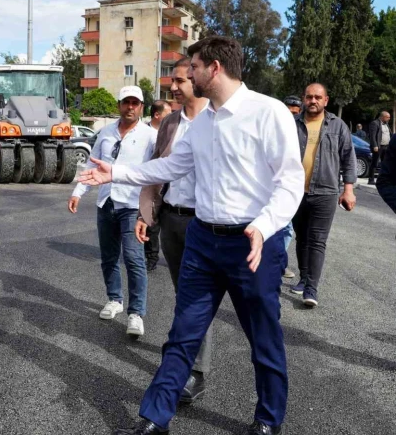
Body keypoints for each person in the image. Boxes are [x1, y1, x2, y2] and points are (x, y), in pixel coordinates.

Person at [79, 37, 304, 435]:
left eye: (194, 68)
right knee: (183, 333)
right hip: (203, 240)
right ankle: (156, 416)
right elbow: (168, 168)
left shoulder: (268, 113)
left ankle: (269, 419)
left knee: (263, 338)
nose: (186, 75)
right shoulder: (201, 124)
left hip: (253, 243)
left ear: (214, 68)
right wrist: (115, 173)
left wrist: (265, 226)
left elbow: (291, 182)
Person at [136, 57, 211, 402]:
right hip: (172, 218)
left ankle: (194, 371)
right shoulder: (169, 123)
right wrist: (146, 213)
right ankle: (181, 359)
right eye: (173, 82)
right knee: (184, 295)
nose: (174, 87)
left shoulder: (218, 120)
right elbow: (155, 167)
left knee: (198, 299)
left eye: (180, 80)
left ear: (197, 78)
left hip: (207, 222)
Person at [68, 86, 156, 336]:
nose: (130, 107)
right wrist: (77, 192)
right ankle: (115, 299)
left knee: (133, 259)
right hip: (106, 203)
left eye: (135, 103)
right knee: (108, 257)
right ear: (119, 105)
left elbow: (156, 172)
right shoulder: (105, 133)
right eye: (126, 102)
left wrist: (150, 208)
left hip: (132, 205)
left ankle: (136, 313)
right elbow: (91, 165)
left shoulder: (150, 136)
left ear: (141, 107)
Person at [289, 83, 356, 308]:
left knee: (317, 241)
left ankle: (311, 288)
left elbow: (348, 157)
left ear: (326, 100)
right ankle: (303, 277)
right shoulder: (292, 124)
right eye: (309, 97)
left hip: (326, 192)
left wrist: (348, 190)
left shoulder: (338, 126)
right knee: (301, 238)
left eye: (318, 97)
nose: (313, 101)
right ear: (303, 99)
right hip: (295, 191)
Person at [144, 100, 171, 270]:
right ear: (157, 115)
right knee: (150, 223)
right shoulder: (144, 133)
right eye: (169, 113)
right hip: (151, 184)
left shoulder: (171, 132)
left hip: (168, 183)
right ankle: (151, 258)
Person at [281, 97, 304, 279]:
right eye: (289, 111)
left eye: (295, 113)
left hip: (298, 186)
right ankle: (278, 263)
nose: (292, 116)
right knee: (284, 227)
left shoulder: (302, 130)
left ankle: (278, 261)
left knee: (289, 229)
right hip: (276, 186)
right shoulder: (274, 126)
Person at [367, 111, 391, 185]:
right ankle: (371, 180)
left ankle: (383, 179)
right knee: (374, 163)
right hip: (378, 147)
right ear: (382, 116)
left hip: (386, 146)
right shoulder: (375, 123)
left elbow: (389, 134)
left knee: (385, 163)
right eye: (388, 117)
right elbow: (372, 136)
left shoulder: (386, 124)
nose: (389, 119)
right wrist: (375, 145)